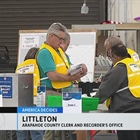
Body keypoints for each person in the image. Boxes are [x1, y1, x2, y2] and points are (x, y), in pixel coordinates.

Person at [36, 22, 87, 140]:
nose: (62, 42)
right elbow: (52, 76)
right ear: (51, 36)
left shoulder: (59, 52)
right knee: (54, 129)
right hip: (52, 93)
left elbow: (67, 68)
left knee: (62, 129)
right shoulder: (45, 52)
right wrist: (71, 78)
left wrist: (79, 70)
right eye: (60, 39)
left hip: (64, 93)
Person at [95, 43, 140, 140]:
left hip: (127, 112)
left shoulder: (119, 69)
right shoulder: (134, 65)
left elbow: (104, 91)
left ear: (116, 56)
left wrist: (91, 102)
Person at [15, 47, 44, 140]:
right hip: (36, 99)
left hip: (21, 100)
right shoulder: (39, 65)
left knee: (21, 129)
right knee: (36, 131)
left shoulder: (20, 66)